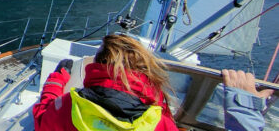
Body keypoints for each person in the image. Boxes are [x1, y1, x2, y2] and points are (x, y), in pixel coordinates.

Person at [33, 34, 178, 130]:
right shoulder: (161, 124)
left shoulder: (67, 106)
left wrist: (56, 80)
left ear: (96, 65)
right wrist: (157, 99)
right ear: (144, 72)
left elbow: (42, 121)